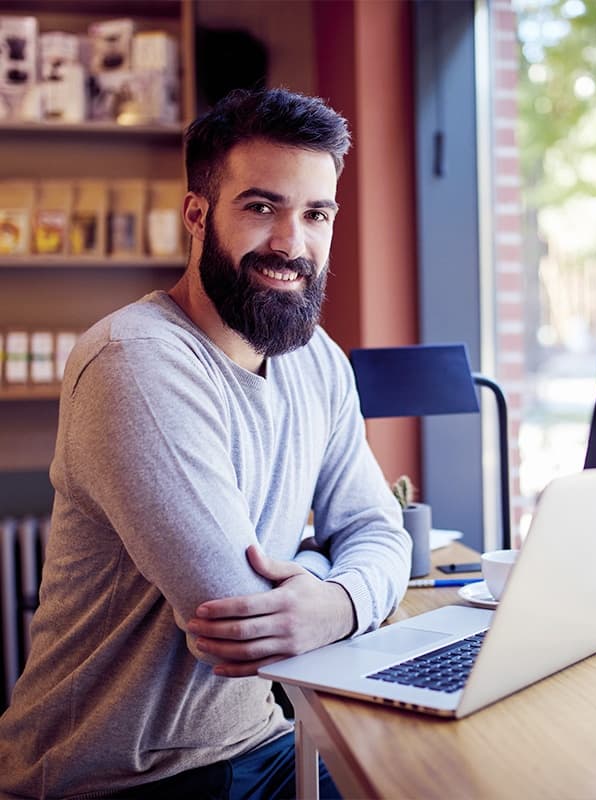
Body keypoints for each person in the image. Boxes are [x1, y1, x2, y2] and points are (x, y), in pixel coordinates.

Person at [0, 87, 412, 799]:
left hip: (258, 742)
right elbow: (238, 618)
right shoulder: (135, 361)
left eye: (316, 215)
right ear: (197, 215)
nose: (292, 243)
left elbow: (380, 528)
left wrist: (336, 601)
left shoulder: (320, 362)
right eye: (261, 208)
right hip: (113, 781)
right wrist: (337, 570)